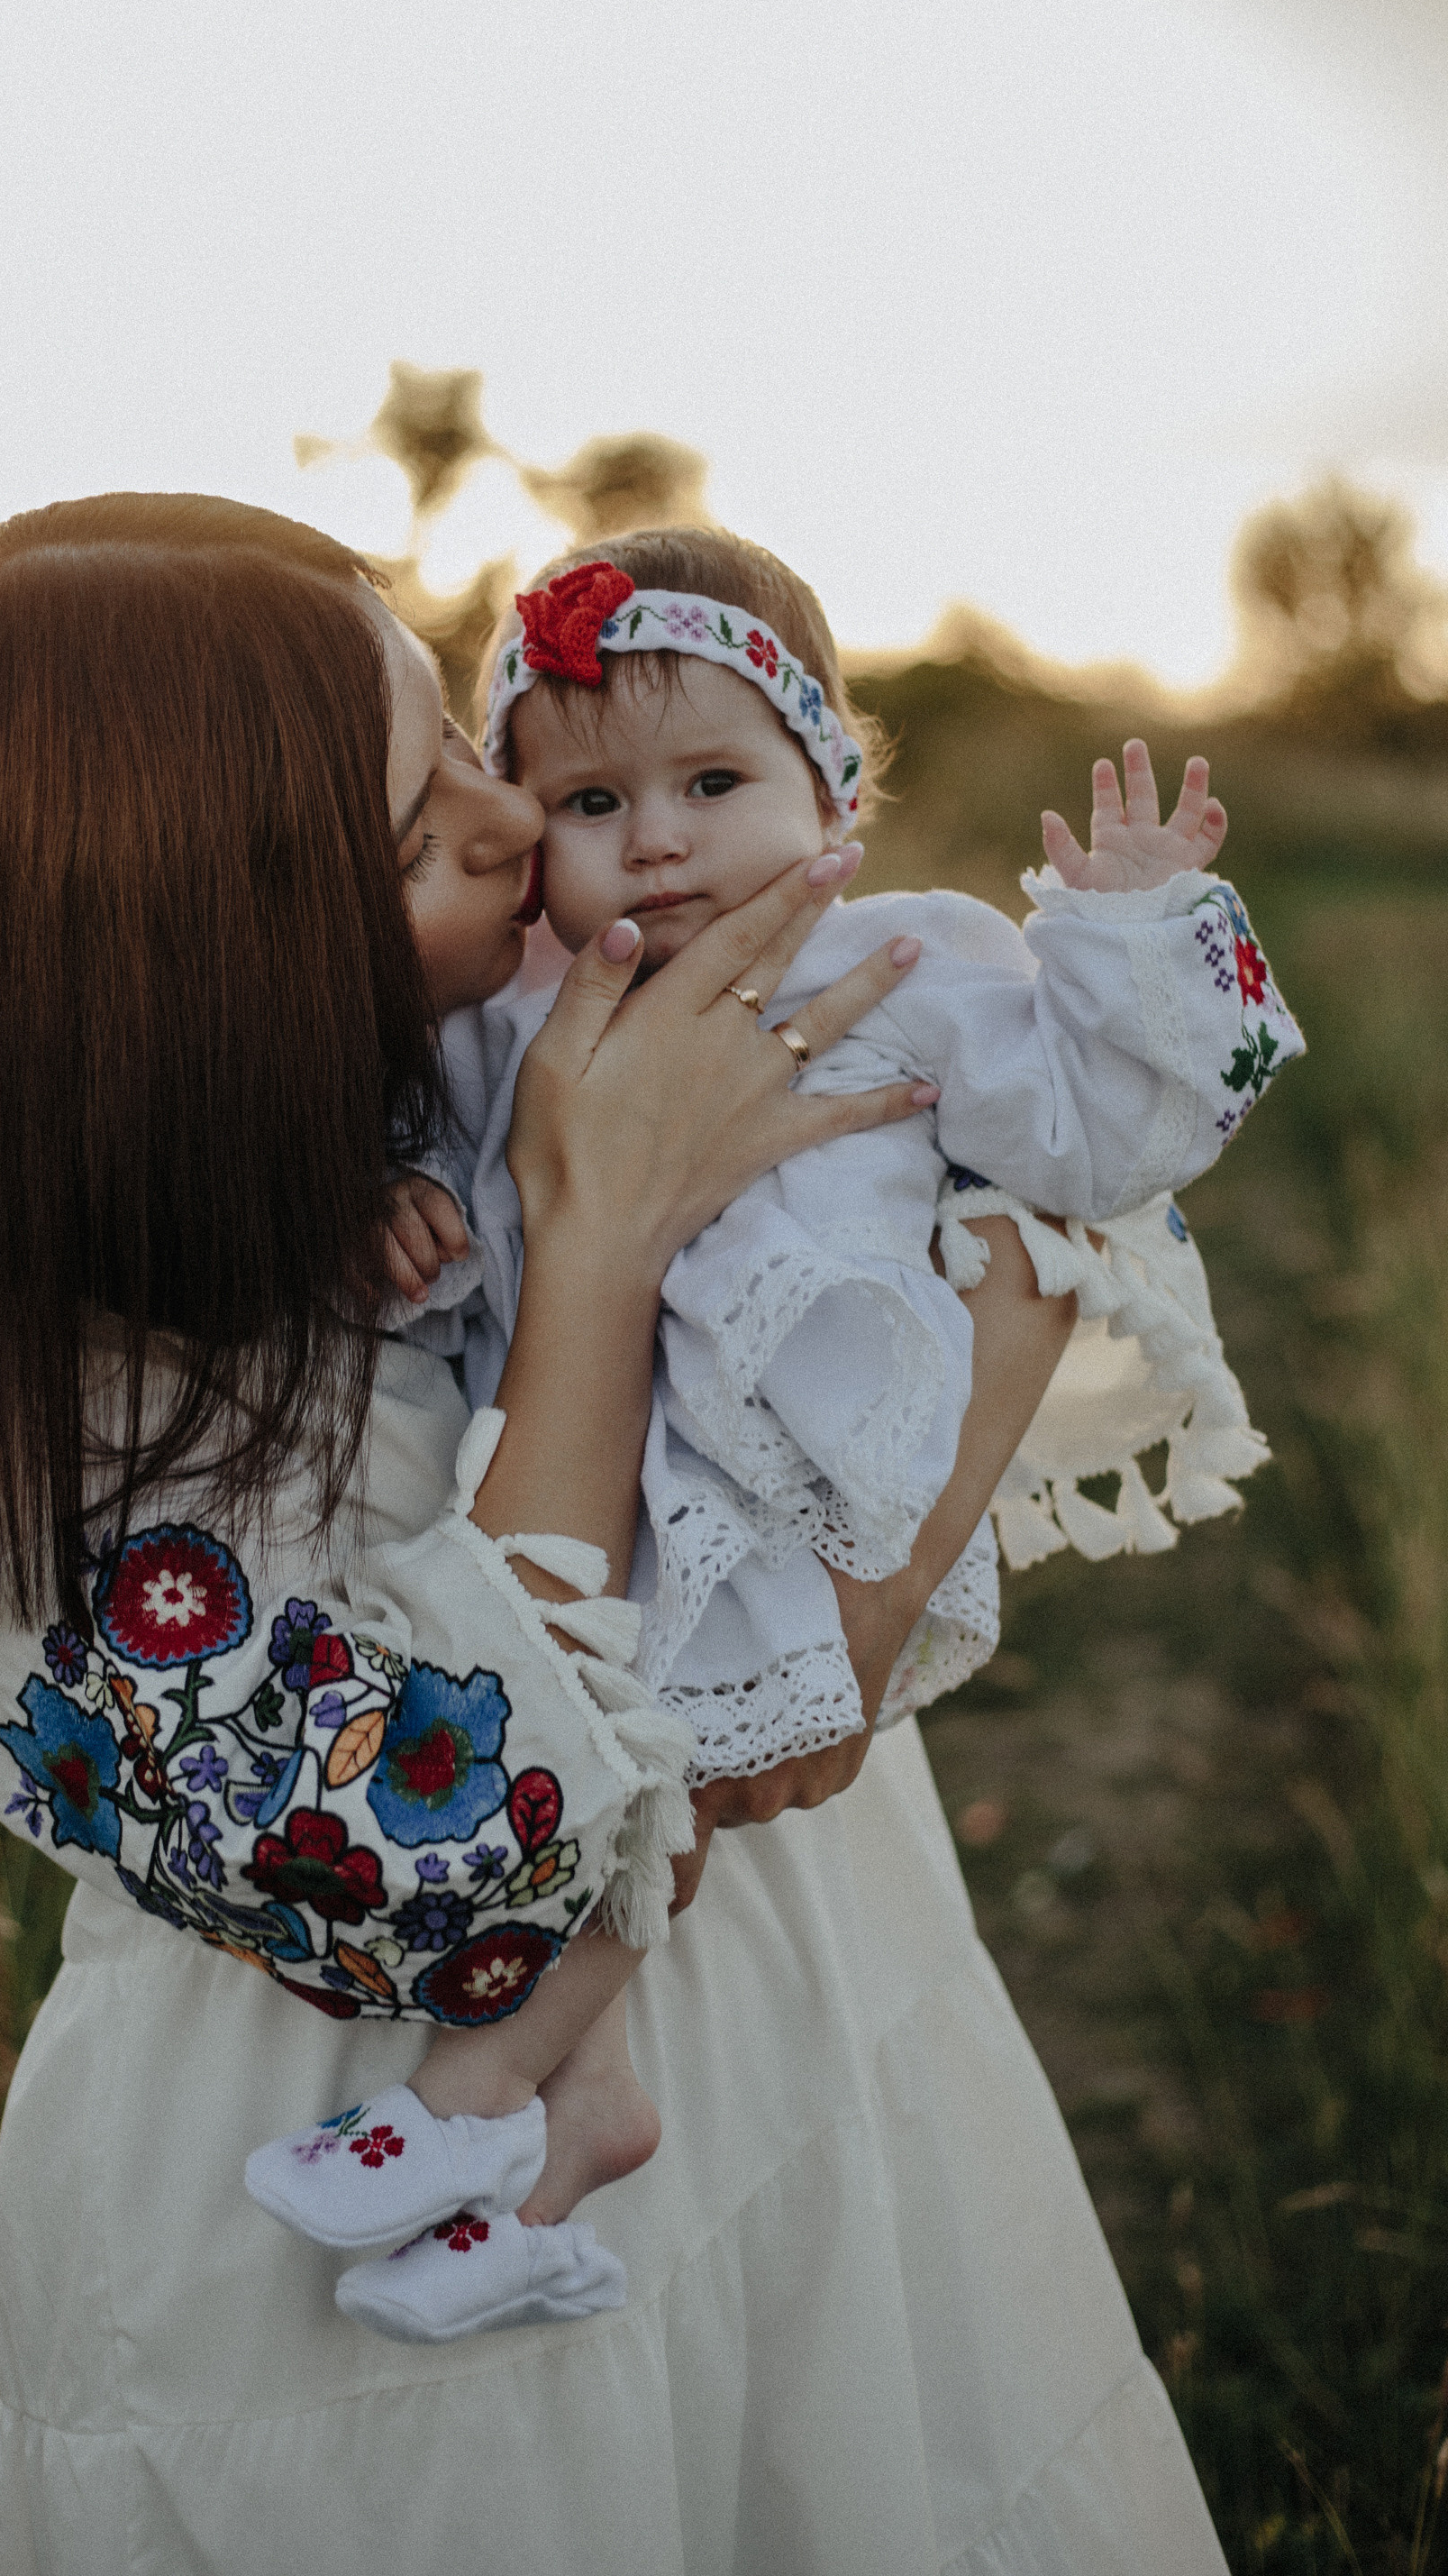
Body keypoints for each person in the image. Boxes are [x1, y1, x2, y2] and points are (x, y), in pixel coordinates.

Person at [0, 492, 1228, 2571]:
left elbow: (939, 1403)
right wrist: (607, 1237)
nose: (504, 810)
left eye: (464, 736)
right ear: (210, 923)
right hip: (346, 2227)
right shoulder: (1, 1418)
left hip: (799, 2037)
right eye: (421, 808)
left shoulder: (476, 1070)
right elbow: (478, 1852)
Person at [247, 529, 1302, 2338]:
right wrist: (389, 1200)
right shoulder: (513, 1015)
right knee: (610, 1751)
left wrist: (1130, 942)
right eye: (588, 799)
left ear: (831, 785)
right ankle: (586, 2110)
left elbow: (1094, 1145)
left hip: (810, 1462)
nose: (654, 838)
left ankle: (474, 2092)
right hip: (604, 1470)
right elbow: (441, 1175)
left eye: (713, 781)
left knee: (664, 1759)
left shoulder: (910, 956)